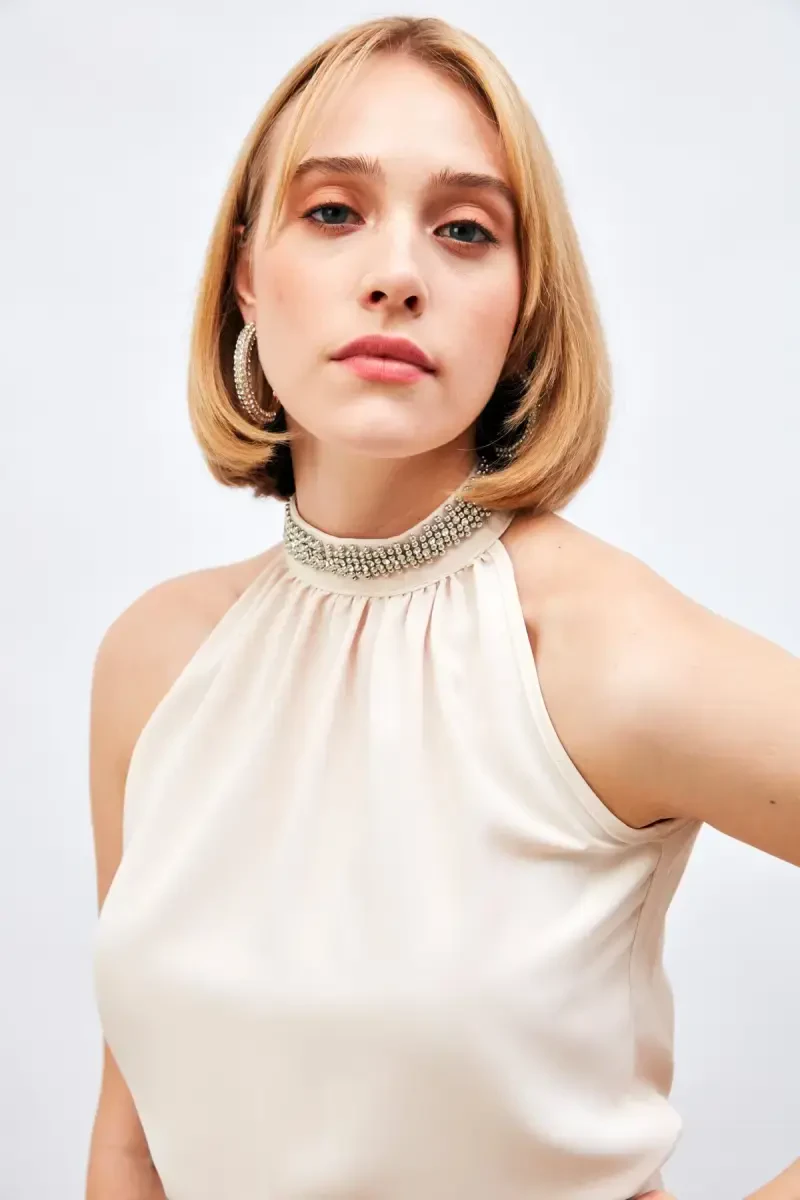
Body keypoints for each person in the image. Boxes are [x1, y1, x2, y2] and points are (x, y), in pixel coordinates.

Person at [85, 15, 800, 1200]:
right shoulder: (154, 663)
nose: (396, 274)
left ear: (520, 305)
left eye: (465, 230)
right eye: (332, 211)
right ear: (246, 274)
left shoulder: (596, 651)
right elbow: (131, 1139)